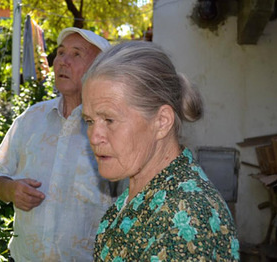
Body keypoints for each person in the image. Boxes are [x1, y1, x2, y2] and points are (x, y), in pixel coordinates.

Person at [81, 41, 240, 261]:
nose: (94, 136)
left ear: (162, 122)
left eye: (109, 119)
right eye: (89, 120)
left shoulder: (188, 221)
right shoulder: (144, 188)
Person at [0, 28, 123, 261]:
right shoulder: (31, 119)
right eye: (60, 53)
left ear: (99, 69)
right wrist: (11, 190)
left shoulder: (114, 130)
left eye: (76, 54)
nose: (62, 61)